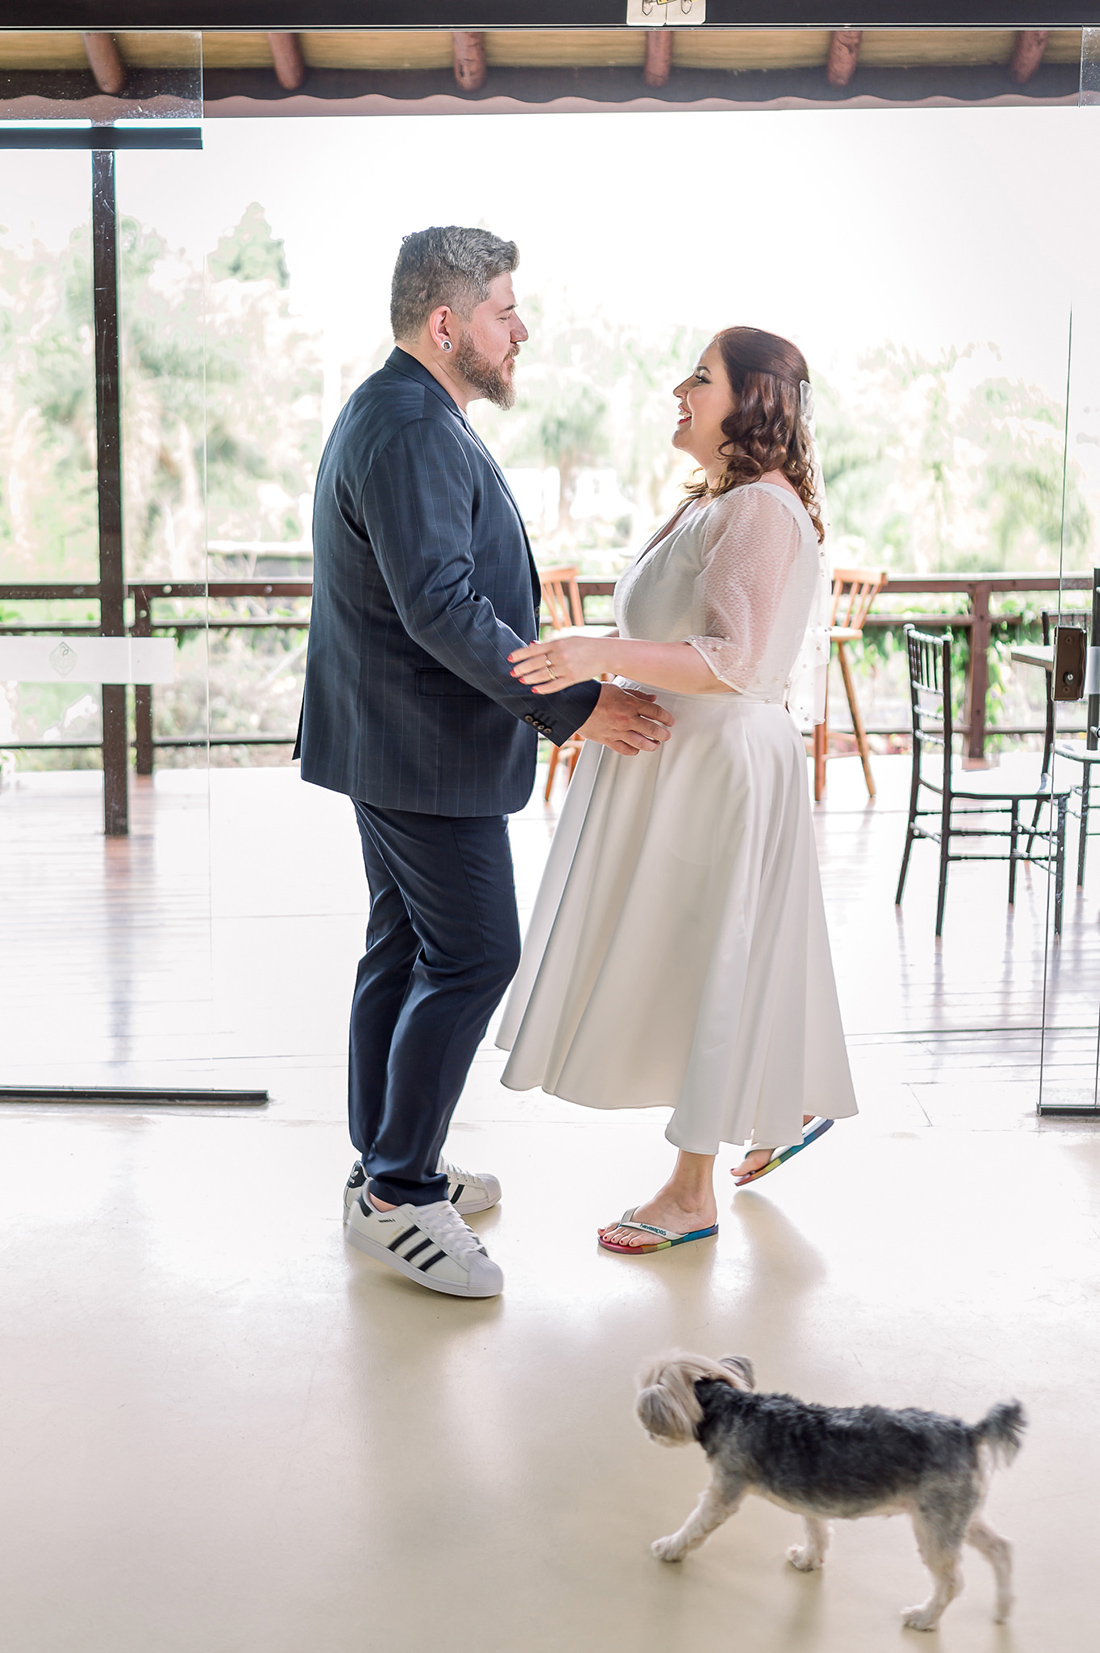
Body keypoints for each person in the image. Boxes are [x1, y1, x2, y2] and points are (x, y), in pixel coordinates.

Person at [297, 226, 674, 1298]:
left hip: (393, 743)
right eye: (506, 310)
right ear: (447, 323)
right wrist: (579, 703)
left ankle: (385, 1162)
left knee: (404, 947)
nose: (522, 329)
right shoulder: (411, 423)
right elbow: (444, 608)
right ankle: (400, 1197)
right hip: (421, 750)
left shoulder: (401, 410)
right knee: (470, 958)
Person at [497, 326, 858, 1254]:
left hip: (716, 768)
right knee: (716, 951)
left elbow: (734, 661)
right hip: (689, 762)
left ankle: (692, 1190)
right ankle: (780, 1101)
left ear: (754, 401)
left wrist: (597, 652)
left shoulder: (761, 514)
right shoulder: (733, 505)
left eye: (701, 377)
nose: (679, 389)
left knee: (715, 955)